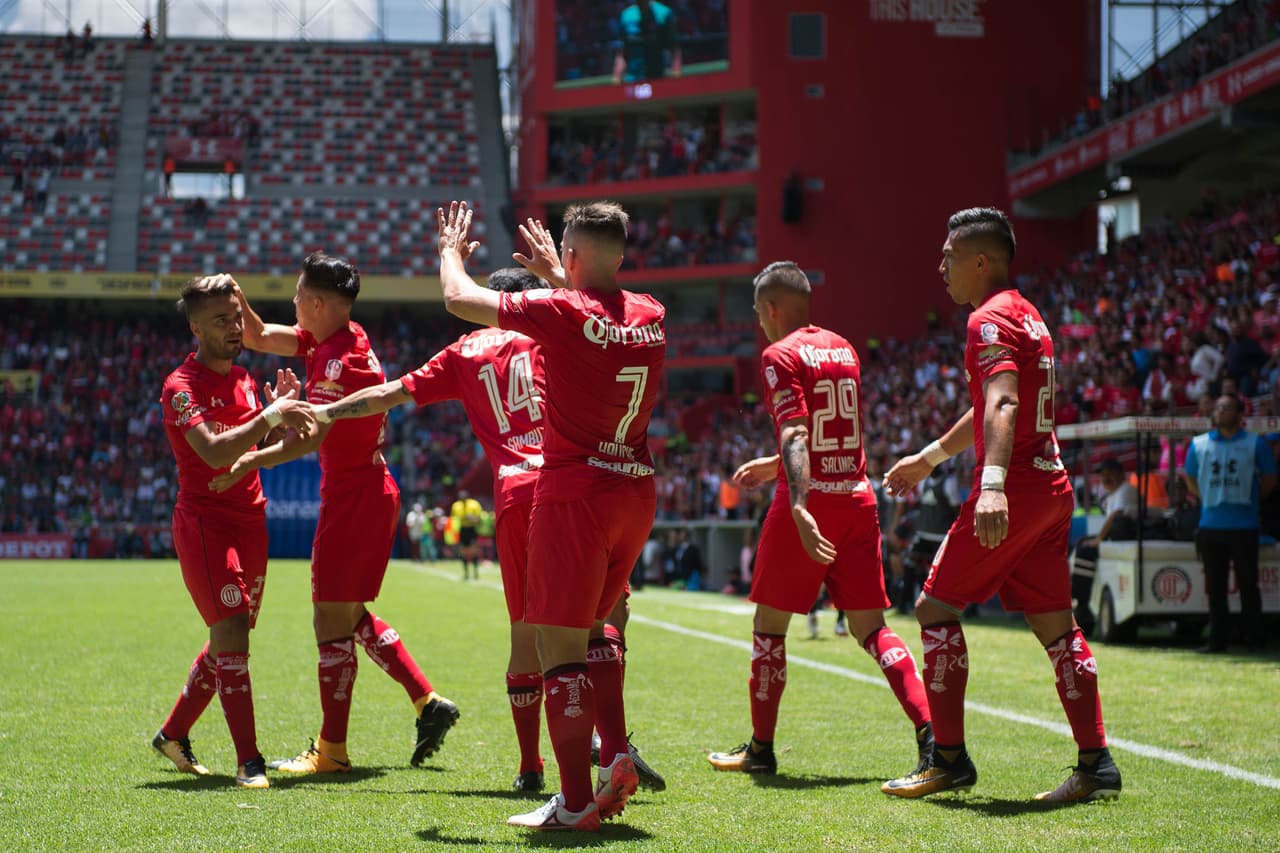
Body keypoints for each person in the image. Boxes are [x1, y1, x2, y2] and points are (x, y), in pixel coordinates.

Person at [880, 208, 1121, 804]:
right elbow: (994, 400)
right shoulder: (1027, 314)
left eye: (948, 256)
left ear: (980, 261)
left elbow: (1005, 403)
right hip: (1051, 487)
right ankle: (1097, 764)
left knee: (934, 608)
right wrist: (930, 457)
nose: (940, 267)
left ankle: (950, 759)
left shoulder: (987, 321)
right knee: (1056, 627)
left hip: (1013, 490)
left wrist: (990, 485)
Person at [437, 200, 664, 831]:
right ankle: (616, 751)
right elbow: (601, 319)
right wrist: (563, 277)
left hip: (574, 492)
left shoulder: (560, 311)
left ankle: (572, 805)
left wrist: (449, 248)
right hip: (635, 492)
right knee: (598, 629)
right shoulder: (652, 315)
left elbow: (459, 298)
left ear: (570, 255)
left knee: (556, 646)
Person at [212, 255, 460, 775]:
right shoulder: (333, 338)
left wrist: (254, 451)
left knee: (329, 617)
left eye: (299, 295)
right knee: (345, 615)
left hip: (353, 500)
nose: (294, 302)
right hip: (368, 491)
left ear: (318, 303)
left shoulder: (336, 365)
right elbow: (258, 335)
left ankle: (333, 751)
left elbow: (309, 436)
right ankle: (425, 701)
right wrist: (238, 300)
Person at [707, 261, 932, 778]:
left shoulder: (777, 354)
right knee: (873, 629)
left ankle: (761, 749)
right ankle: (931, 734)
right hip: (857, 496)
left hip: (808, 502)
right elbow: (835, 428)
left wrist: (801, 505)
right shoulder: (844, 347)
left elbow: (795, 434)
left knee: (769, 626)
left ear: (770, 308)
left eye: (759, 313)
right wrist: (773, 464)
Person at [153, 275, 316, 790]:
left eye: (238, 316)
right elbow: (217, 452)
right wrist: (269, 415)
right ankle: (251, 762)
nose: (235, 327)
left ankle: (172, 734)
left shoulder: (246, 378)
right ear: (195, 327)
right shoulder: (181, 387)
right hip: (206, 524)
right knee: (233, 637)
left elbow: (253, 445)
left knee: (231, 635)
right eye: (222, 320)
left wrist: (281, 418)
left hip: (252, 519)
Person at [1184, 394, 1276, 652]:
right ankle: (1217, 641)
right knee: (1216, 588)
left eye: (1227, 407)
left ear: (1239, 414)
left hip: (1244, 526)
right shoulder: (1199, 444)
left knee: (1248, 585)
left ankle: (1255, 640)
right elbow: (1190, 478)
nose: (1221, 411)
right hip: (1211, 525)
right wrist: (1209, 499)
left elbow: (1269, 478)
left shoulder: (1255, 443)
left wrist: (1251, 500)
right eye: (1218, 407)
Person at [1069, 458, 1139, 636]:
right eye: (1103, 476)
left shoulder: (1126, 490)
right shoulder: (1113, 494)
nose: (1106, 479)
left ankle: (1082, 602)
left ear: (1120, 475)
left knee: (1086, 550)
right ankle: (1079, 599)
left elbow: (1116, 516)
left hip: (1124, 539)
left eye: (1110, 475)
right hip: (1115, 539)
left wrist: (1099, 539)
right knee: (1081, 545)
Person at [902, 463, 961, 615]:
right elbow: (919, 506)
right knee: (910, 565)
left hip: (940, 536)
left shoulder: (949, 483)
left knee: (939, 573)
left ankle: (942, 605)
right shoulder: (924, 482)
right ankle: (905, 602)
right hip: (923, 534)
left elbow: (956, 510)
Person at [612, 0, 682, 84]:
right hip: (632, 80)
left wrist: (676, 76)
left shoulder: (664, 13)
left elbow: (674, 49)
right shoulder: (626, 16)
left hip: (658, 78)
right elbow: (621, 53)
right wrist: (616, 79)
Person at [450, 489, 483, 580]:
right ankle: (466, 572)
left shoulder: (474, 504)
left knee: (473, 551)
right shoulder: (456, 506)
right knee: (463, 551)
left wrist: (471, 518)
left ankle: (476, 572)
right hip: (462, 530)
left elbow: (479, 519)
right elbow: (453, 520)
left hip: (471, 529)